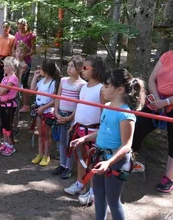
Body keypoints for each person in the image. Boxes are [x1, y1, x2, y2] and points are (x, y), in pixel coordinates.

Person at [71, 69, 145, 220]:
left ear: (120, 89)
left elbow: (127, 145)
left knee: (113, 200)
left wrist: (109, 162)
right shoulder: (108, 106)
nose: (102, 89)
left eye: (106, 86)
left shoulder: (126, 115)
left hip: (116, 162)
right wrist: (84, 139)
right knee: (98, 196)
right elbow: (102, 130)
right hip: (100, 159)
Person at [64, 56, 106, 206]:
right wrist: (73, 124)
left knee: (93, 161)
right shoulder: (84, 87)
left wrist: (102, 130)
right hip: (79, 128)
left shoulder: (101, 89)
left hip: (93, 131)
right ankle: (80, 183)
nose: (82, 70)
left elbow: (104, 111)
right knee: (80, 158)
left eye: (85, 68)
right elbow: (79, 107)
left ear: (95, 70)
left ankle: (93, 192)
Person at [132, 50, 173, 193]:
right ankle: (132, 157)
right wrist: (157, 100)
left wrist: (166, 102)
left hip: (169, 102)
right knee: (138, 125)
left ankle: (169, 177)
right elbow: (152, 79)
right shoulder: (167, 55)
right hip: (158, 101)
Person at [53, 56, 86, 179]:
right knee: (61, 141)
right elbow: (58, 96)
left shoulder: (82, 85)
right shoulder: (63, 81)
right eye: (69, 66)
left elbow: (79, 103)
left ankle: (68, 167)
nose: (69, 68)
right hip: (61, 114)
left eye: (72, 66)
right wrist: (56, 112)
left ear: (79, 69)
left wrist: (71, 117)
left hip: (72, 117)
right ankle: (62, 164)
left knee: (69, 142)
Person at [30, 59, 60, 166]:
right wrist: (35, 76)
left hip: (47, 112)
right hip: (39, 110)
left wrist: (44, 108)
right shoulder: (41, 81)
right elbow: (32, 90)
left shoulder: (53, 83)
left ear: (46, 70)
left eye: (41, 68)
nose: (39, 69)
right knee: (39, 134)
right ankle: (39, 153)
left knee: (46, 135)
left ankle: (46, 155)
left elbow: (55, 99)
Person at [0, 56, 19, 156]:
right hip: (3, 104)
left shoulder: (13, 78)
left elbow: (2, 91)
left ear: (12, 67)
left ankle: (11, 146)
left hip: (10, 105)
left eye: (6, 66)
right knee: (4, 126)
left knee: (8, 126)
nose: (4, 67)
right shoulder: (5, 78)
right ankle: (5, 143)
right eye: (4, 65)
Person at [13, 18, 36, 113]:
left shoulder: (31, 36)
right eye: (19, 28)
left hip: (26, 62)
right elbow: (13, 47)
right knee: (15, 80)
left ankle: (26, 104)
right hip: (16, 61)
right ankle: (14, 99)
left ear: (26, 26)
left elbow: (34, 50)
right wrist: (15, 54)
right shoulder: (17, 34)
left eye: (23, 27)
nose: (21, 29)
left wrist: (24, 55)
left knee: (24, 82)